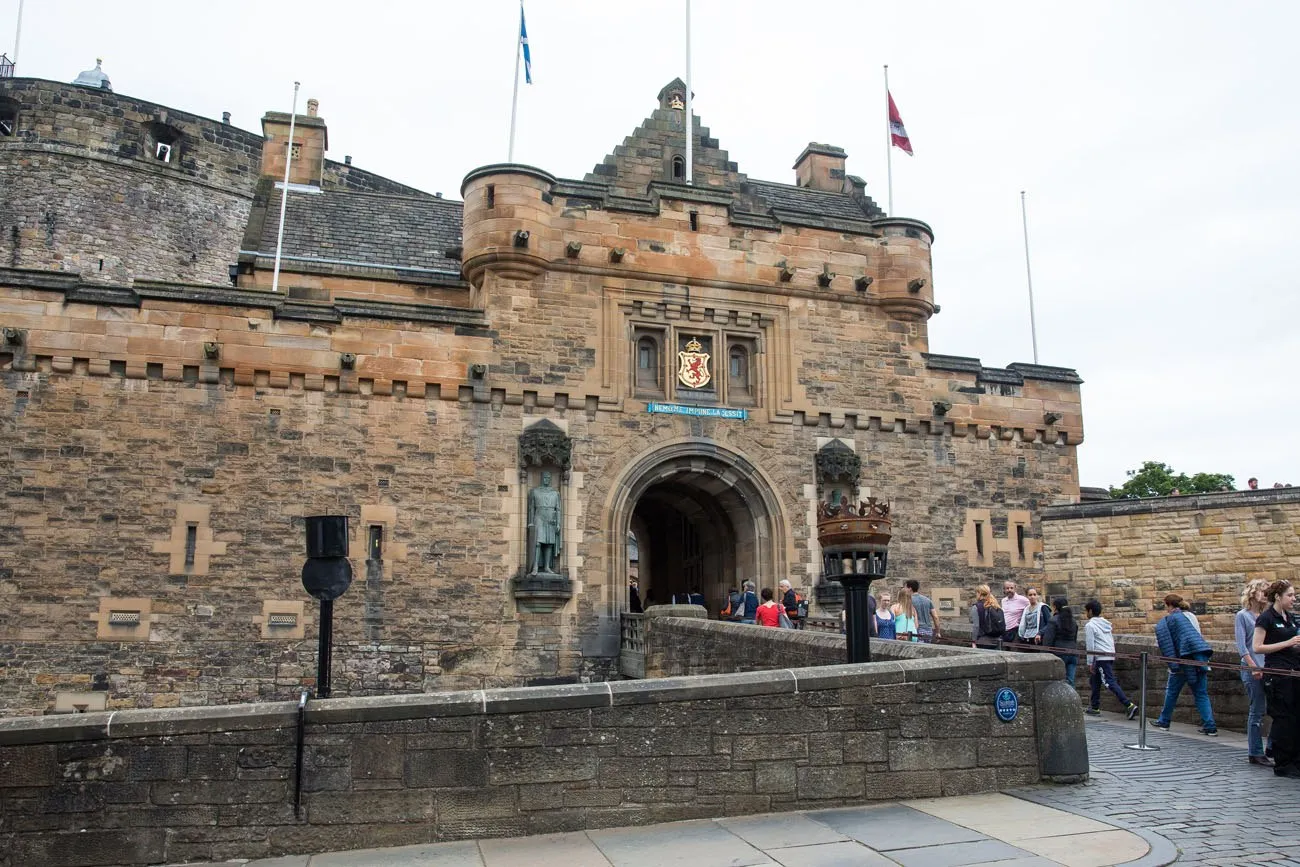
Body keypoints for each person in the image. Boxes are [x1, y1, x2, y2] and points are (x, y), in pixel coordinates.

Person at [1253, 580, 1300, 778]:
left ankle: (1296, 761)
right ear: (1278, 597)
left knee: (1296, 718)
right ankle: (1283, 763)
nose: (1294, 599)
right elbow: (1257, 647)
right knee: (1283, 719)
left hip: (1294, 672)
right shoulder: (1266, 618)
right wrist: (1287, 642)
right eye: (1290, 595)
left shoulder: (1290, 618)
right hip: (1277, 674)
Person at [1152, 593, 1217, 735]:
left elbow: (1168, 643)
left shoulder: (1171, 619)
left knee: (1172, 692)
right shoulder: (1191, 616)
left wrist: (1174, 664)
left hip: (1183, 660)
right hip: (1199, 659)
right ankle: (1210, 726)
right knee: (1201, 693)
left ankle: (1164, 720)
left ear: (1169, 605)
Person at [1236, 578, 1274, 766]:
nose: (1265, 595)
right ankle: (1255, 752)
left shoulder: (1267, 616)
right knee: (1257, 710)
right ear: (1253, 593)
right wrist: (1253, 667)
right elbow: (1242, 647)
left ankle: (1272, 747)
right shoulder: (1243, 616)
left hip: (1269, 667)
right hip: (1253, 668)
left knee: (1278, 708)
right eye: (1262, 591)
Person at [1083, 600, 1139, 719]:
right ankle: (1094, 707)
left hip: (1100, 657)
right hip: (1108, 654)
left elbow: (1090, 645)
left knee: (1109, 682)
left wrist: (1090, 662)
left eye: (1086, 611)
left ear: (1090, 611)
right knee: (1095, 681)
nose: (1086, 614)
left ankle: (1128, 705)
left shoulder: (1090, 626)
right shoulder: (1106, 624)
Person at [527, 471, 562, 574]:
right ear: (542, 478)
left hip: (551, 518)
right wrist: (530, 522)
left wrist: (558, 523)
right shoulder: (535, 491)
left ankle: (547, 566)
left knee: (549, 543)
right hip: (539, 517)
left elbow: (558, 509)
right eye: (545, 477)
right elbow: (531, 508)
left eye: (548, 478)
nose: (547, 479)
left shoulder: (555, 493)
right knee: (537, 542)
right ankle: (535, 566)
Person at [1041, 596, 1079, 685]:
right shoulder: (1073, 621)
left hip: (1059, 654)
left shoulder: (1053, 620)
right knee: (1070, 681)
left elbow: (1048, 641)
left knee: (1058, 682)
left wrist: (1042, 654)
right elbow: (1075, 639)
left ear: (1055, 607)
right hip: (1073, 653)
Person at [906, 579, 941, 643]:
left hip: (917, 630)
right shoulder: (927, 600)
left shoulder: (909, 601)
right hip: (928, 630)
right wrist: (938, 632)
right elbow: (935, 617)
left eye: (906, 588)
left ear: (910, 588)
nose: (906, 590)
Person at [971, 584, 1004, 648]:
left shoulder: (977, 607)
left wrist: (973, 641)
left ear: (979, 593)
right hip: (998, 640)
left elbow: (976, 626)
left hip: (983, 641)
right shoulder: (995, 605)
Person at [1001, 580, 1030, 647]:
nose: (1009, 590)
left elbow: (1032, 609)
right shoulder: (1003, 601)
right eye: (1007, 588)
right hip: (1005, 631)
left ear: (1015, 588)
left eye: (1011, 588)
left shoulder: (1022, 600)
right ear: (1004, 589)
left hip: (1015, 631)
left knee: (1014, 651)